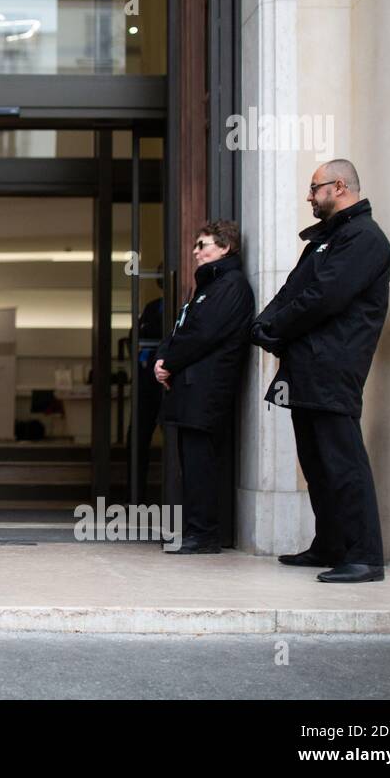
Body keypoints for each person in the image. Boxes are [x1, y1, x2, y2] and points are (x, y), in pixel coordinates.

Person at [251, 159, 390, 584]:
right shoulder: (328, 238)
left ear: (340, 186)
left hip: (335, 366)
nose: (308, 197)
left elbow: (324, 297)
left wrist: (274, 327)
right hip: (307, 365)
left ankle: (365, 556)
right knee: (315, 462)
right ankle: (330, 544)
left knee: (343, 462)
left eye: (314, 188)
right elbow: (295, 288)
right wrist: (264, 323)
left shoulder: (365, 238)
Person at [153, 221, 255, 553]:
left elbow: (203, 335)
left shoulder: (231, 286)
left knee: (201, 464)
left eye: (203, 244)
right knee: (193, 462)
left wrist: (168, 363)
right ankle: (197, 530)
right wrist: (163, 356)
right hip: (192, 391)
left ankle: (204, 534)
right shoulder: (210, 286)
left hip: (206, 391)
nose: (196, 251)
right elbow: (185, 329)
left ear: (225, 248)